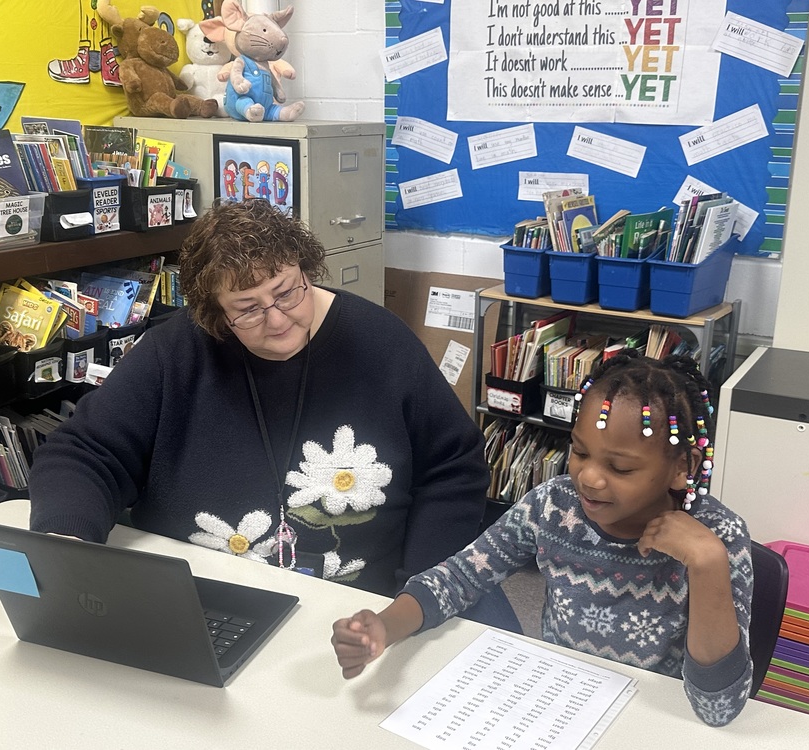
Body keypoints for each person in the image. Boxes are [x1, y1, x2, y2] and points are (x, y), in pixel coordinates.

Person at [28, 199, 495, 601]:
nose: (277, 320)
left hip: (351, 605)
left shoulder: (381, 343)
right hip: (199, 591)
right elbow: (85, 453)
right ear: (214, 316)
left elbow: (453, 468)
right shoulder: (174, 353)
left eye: (287, 292)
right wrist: (69, 543)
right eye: (248, 309)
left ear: (306, 270)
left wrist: (421, 591)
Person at [331, 351, 754, 727]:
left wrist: (707, 564)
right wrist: (385, 627)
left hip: (651, 724)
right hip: (559, 709)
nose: (588, 477)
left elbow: (718, 709)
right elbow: (460, 577)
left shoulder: (719, 537)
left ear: (683, 466)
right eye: (580, 452)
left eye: (620, 468)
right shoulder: (554, 505)